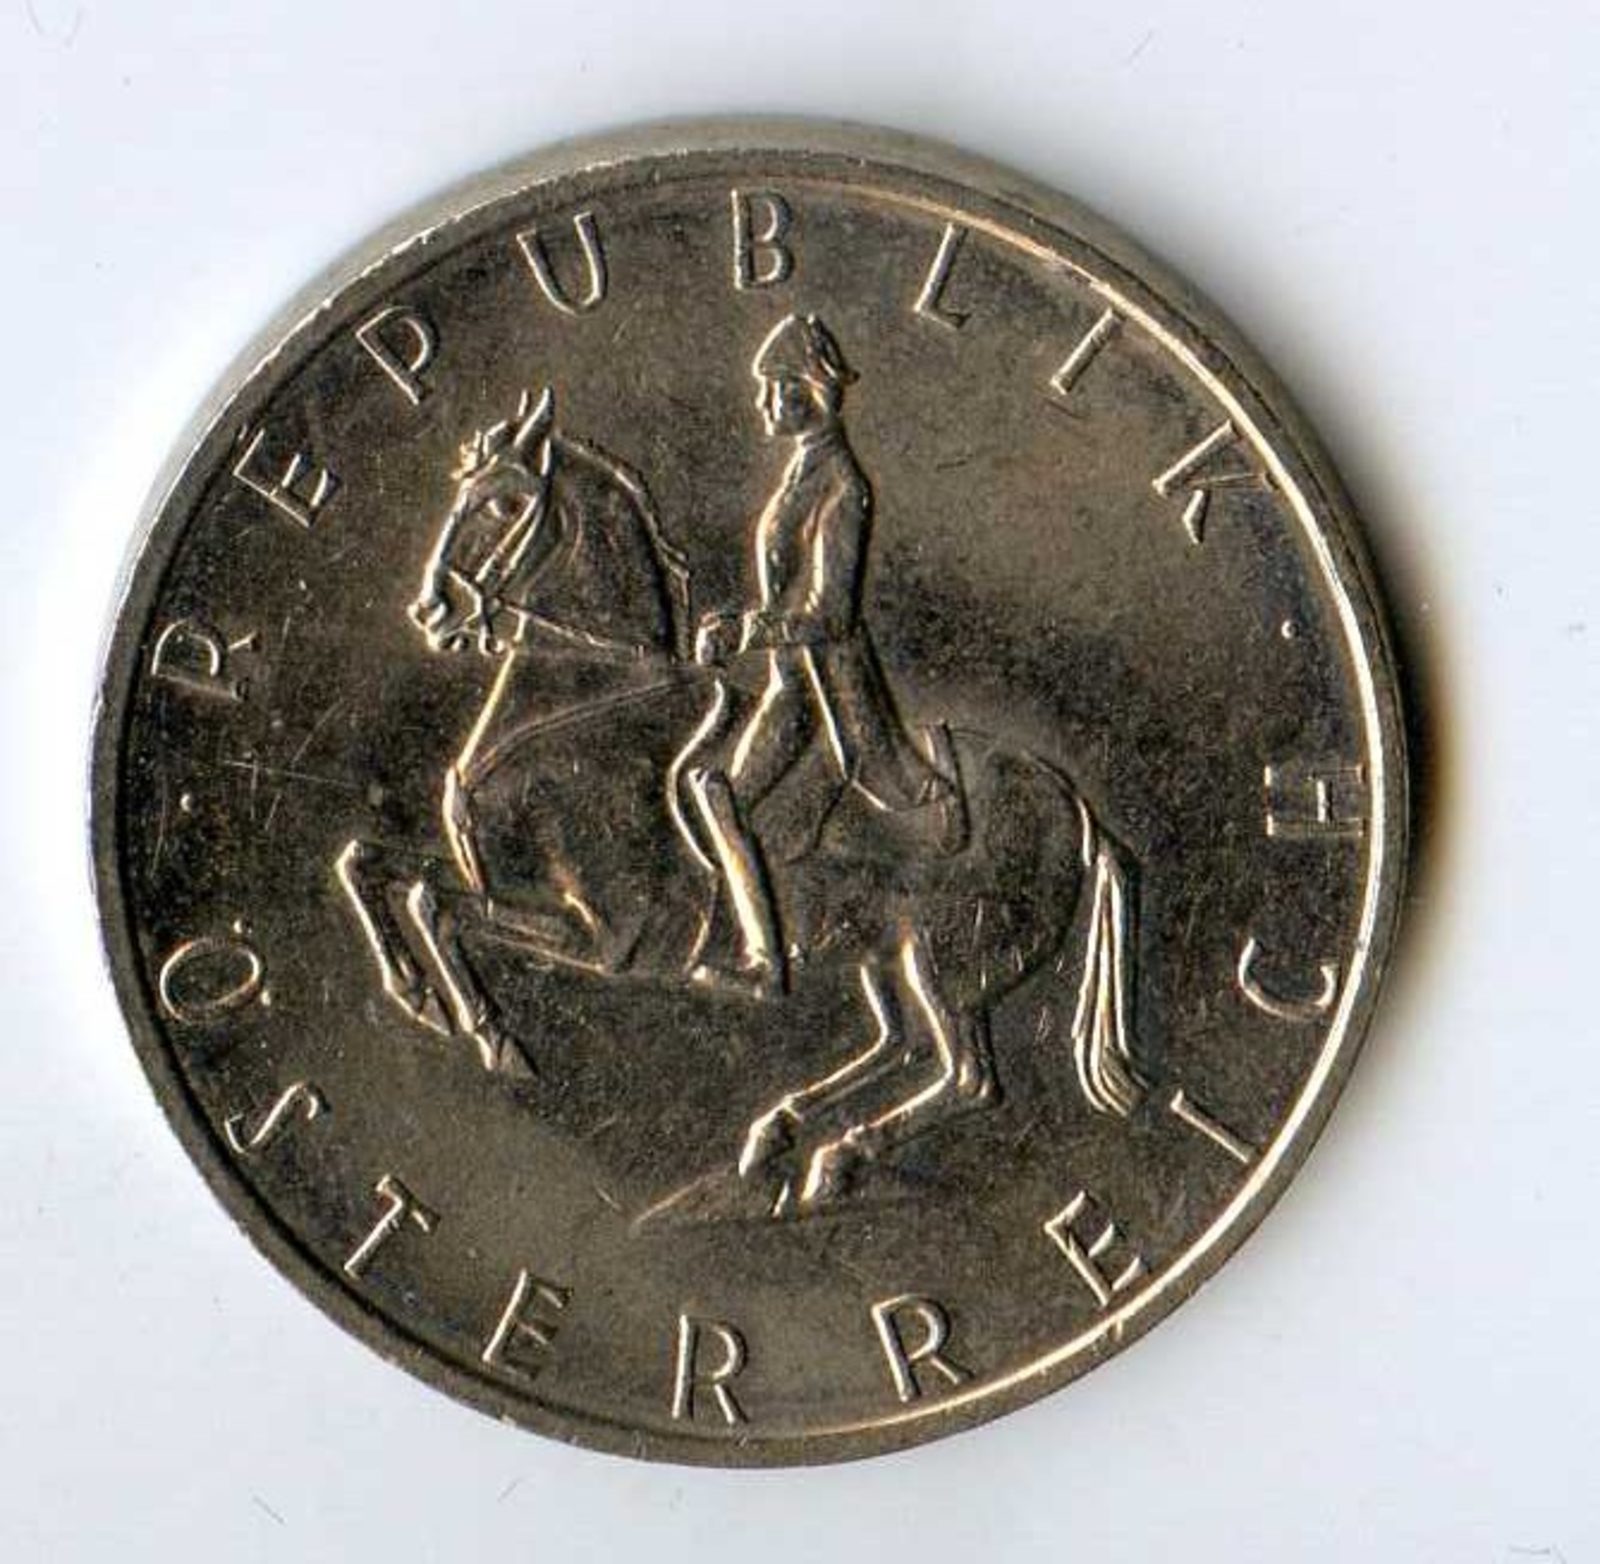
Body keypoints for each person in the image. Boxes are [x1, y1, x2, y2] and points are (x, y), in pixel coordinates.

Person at [686, 313, 960, 997]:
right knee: (710, 787)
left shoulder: (841, 484)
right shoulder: (802, 472)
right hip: (791, 680)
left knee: (717, 793)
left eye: (774, 388)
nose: (763, 402)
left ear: (809, 390)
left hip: (823, 692)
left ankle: (765, 961)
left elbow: (832, 614)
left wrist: (746, 631)